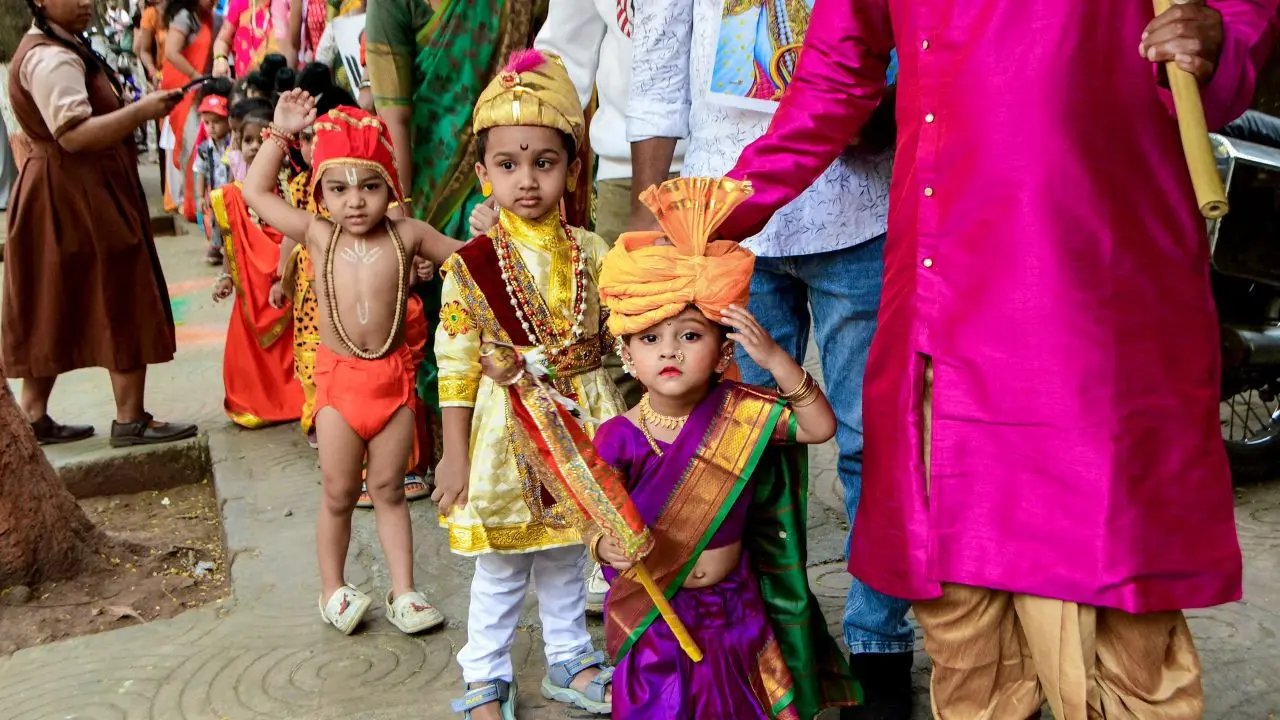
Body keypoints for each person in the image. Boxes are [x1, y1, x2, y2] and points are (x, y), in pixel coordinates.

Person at [714, 1, 1280, 717]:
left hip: (1092, 288)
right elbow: (833, 78)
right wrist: (719, 210)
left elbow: (1233, 24)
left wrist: (1217, 39)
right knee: (958, 595)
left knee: (1112, 586)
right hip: (940, 288)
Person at [626, 3, 912, 714]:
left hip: (859, 210)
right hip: (726, 225)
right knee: (742, 456)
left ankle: (880, 643)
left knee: (870, 441)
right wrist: (647, 211)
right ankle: (769, 645)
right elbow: (660, 67)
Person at [587, 176, 857, 719]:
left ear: (720, 350)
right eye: (650, 338)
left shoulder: (743, 413)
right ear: (627, 353)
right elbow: (596, 516)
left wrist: (777, 358)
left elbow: (818, 428)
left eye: (690, 335)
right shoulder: (617, 436)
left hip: (735, 612)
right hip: (659, 616)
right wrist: (601, 547)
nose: (670, 351)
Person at [431, 49, 622, 719]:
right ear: (483, 175)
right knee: (504, 565)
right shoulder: (472, 266)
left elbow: (622, 339)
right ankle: (484, 675)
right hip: (503, 429)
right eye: (508, 165)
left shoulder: (594, 252)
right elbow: (454, 365)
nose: (528, 181)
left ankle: (570, 657)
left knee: (571, 550)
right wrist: (453, 453)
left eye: (544, 163)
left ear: (573, 170)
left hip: (582, 418)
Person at [243, 92, 460, 635]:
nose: (355, 201)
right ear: (320, 193)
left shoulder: (408, 235)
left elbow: (465, 256)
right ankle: (332, 589)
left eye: (369, 185)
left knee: (388, 490)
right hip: (339, 386)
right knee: (339, 492)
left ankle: (404, 591)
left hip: (393, 383)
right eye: (337, 189)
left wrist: (498, 220)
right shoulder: (318, 235)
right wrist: (280, 132)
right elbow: (255, 191)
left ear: (391, 185)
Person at [365, 0, 545, 481]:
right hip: (423, 179)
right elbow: (394, 114)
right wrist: (401, 208)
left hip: (510, 162)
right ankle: (442, 452)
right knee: (439, 317)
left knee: (507, 301)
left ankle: (513, 447)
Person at [5, 0, 198, 447]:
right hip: (76, 193)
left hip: (63, 191)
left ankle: (35, 415)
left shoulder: (60, 44)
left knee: (54, 296)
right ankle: (130, 419)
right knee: (121, 289)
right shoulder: (49, 56)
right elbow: (72, 134)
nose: (85, 1)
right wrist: (141, 112)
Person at [208, 103, 304, 428]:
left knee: (290, 349)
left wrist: (283, 276)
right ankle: (255, 402)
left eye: (259, 140)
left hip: (287, 283)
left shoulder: (294, 190)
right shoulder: (232, 196)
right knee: (249, 352)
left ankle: (292, 400)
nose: (252, 147)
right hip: (249, 288)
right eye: (246, 140)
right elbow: (231, 241)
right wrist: (226, 276)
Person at [158, 0, 214, 222]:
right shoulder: (185, 15)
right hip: (188, 92)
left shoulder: (205, 16)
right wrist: (195, 77)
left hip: (200, 91)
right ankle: (192, 207)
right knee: (191, 148)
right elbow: (171, 52)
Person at [194, 91, 234, 265]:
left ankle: (231, 248)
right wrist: (200, 196)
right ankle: (217, 246)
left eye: (216, 122)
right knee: (216, 220)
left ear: (228, 121)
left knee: (232, 219)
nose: (211, 127)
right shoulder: (204, 149)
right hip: (215, 192)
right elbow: (201, 171)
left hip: (231, 191)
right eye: (207, 123)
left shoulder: (233, 144)